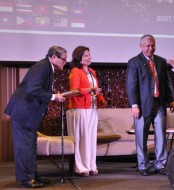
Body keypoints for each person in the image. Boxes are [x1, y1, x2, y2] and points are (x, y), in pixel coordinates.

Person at [4, 46, 67, 188]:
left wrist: (52, 93)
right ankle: (27, 179)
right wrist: (53, 96)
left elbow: (38, 88)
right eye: (63, 59)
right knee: (25, 147)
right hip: (24, 113)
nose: (65, 62)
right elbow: (33, 89)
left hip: (28, 114)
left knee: (30, 146)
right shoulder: (42, 67)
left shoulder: (47, 67)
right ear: (54, 57)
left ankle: (32, 176)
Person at [126, 34, 174, 176]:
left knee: (160, 135)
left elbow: (167, 81)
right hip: (142, 106)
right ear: (141, 46)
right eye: (147, 45)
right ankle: (143, 165)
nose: (150, 48)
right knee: (141, 136)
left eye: (152, 45)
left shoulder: (161, 61)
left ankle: (161, 164)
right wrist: (134, 105)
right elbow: (131, 85)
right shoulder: (134, 62)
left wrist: (171, 99)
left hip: (159, 104)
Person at [67, 46, 107, 177]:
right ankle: (79, 166)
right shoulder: (75, 71)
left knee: (90, 138)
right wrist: (90, 90)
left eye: (89, 55)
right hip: (79, 109)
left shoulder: (92, 72)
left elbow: (94, 89)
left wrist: (101, 98)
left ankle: (91, 165)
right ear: (79, 58)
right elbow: (74, 91)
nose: (89, 57)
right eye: (86, 55)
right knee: (80, 138)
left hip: (92, 108)